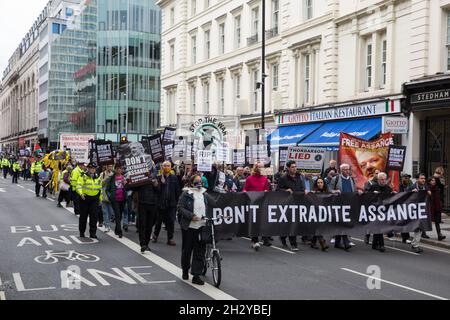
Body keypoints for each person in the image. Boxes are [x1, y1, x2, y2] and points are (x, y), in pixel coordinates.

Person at [177, 175, 208, 285]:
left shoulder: (204, 193)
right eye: (196, 182)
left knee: (200, 251)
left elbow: (215, 203)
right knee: (187, 250)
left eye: (201, 182)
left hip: (202, 226)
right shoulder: (186, 193)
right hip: (189, 226)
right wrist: (191, 216)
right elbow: (180, 208)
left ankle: (196, 275)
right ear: (191, 183)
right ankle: (185, 270)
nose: (199, 184)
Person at [331, 163, 363, 251]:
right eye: (345, 169)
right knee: (343, 222)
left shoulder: (351, 179)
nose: (347, 171)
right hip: (339, 204)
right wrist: (334, 191)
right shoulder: (336, 178)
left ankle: (337, 243)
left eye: (348, 169)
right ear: (341, 170)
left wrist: (358, 191)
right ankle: (346, 242)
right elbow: (329, 189)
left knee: (343, 222)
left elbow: (354, 190)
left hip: (349, 204)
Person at [276, 160, 305, 251]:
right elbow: (277, 190)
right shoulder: (283, 178)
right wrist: (285, 191)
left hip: (297, 203)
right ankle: (284, 238)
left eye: (295, 167)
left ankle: (293, 243)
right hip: (287, 204)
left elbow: (301, 188)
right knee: (287, 224)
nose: (295, 168)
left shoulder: (299, 177)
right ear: (288, 168)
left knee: (294, 223)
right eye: (292, 167)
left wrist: (304, 191)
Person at [243, 162, 271, 250]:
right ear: (256, 168)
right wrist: (246, 193)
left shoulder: (264, 179)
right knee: (254, 222)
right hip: (253, 203)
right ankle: (254, 240)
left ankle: (264, 238)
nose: (261, 169)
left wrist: (266, 191)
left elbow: (267, 189)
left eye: (263, 167)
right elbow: (244, 189)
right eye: (259, 167)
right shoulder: (249, 178)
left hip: (262, 203)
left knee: (262, 221)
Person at [365, 172, 396, 252]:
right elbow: (366, 196)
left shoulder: (388, 188)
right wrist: (372, 194)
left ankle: (375, 245)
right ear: (378, 180)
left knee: (379, 227)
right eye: (381, 179)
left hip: (384, 211)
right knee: (379, 227)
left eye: (384, 179)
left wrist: (393, 194)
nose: (383, 181)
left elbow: (391, 199)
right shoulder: (373, 187)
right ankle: (381, 245)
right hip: (374, 211)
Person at [153, 161, 181, 246]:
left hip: (171, 204)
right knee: (158, 221)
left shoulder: (174, 178)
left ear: (171, 167)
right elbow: (156, 191)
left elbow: (177, 191)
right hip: (161, 203)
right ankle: (155, 235)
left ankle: (170, 238)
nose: (166, 167)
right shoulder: (158, 177)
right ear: (162, 167)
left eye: (168, 166)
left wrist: (177, 202)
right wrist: (160, 183)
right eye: (164, 166)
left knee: (171, 222)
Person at [132, 169, 160, 253]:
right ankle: (143, 244)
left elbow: (159, 191)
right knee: (142, 224)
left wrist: (156, 185)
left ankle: (146, 243)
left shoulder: (155, 177)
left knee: (149, 225)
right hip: (143, 203)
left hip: (152, 204)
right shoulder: (141, 177)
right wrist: (128, 182)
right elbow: (134, 188)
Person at [76, 163, 102, 239]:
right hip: (85, 198)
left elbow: (100, 188)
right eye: (91, 168)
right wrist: (81, 194)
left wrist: (100, 198)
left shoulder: (98, 177)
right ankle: (82, 232)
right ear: (88, 168)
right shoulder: (83, 176)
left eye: (94, 168)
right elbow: (78, 186)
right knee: (83, 216)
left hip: (94, 199)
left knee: (94, 217)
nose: (93, 169)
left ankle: (93, 233)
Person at [407, 173, 429, 253]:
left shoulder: (425, 186)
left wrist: (429, 193)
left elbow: (428, 195)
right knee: (417, 227)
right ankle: (415, 245)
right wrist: (411, 192)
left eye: (424, 178)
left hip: (422, 210)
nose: (423, 180)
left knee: (419, 228)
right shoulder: (412, 187)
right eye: (421, 178)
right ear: (417, 179)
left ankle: (414, 244)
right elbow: (404, 196)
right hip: (414, 210)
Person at [106, 164, 127, 239]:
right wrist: (110, 197)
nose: (119, 170)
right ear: (115, 170)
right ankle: (120, 231)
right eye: (117, 169)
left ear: (122, 170)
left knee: (120, 215)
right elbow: (107, 189)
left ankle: (116, 229)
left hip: (123, 199)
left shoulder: (124, 178)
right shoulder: (112, 178)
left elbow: (128, 188)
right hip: (115, 200)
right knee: (117, 214)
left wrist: (126, 184)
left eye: (120, 169)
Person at [310, 177, 330, 251]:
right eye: (318, 183)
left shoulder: (327, 192)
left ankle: (313, 242)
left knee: (318, 227)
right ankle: (322, 242)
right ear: (316, 184)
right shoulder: (313, 192)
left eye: (321, 182)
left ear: (323, 183)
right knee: (318, 226)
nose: (320, 184)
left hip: (323, 212)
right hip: (315, 212)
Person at [429, 176, 446, 241]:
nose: (434, 182)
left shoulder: (437, 188)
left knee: (437, 222)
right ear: (429, 182)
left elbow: (442, 186)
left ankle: (439, 235)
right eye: (432, 180)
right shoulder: (428, 189)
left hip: (437, 208)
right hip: (430, 207)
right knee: (425, 221)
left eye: (434, 180)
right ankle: (423, 233)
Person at [100, 165, 114, 233]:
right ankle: (106, 226)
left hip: (111, 195)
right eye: (109, 166)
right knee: (105, 212)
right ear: (106, 167)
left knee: (112, 212)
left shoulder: (113, 174)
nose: (110, 167)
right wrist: (106, 178)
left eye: (111, 166)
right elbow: (100, 184)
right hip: (104, 195)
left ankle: (109, 223)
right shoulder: (102, 174)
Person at [399, 173, 413, 243]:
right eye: (405, 178)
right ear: (402, 178)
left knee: (406, 222)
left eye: (408, 178)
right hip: (400, 206)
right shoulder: (399, 186)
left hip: (407, 206)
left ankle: (405, 238)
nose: (407, 179)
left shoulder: (410, 186)